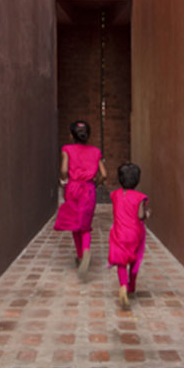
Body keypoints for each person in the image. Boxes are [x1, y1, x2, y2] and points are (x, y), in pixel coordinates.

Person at [54, 120, 106, 275]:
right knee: (85, 223)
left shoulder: (67, 149)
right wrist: (95, 184)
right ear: (88, 135)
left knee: (74, 222)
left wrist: (63, 181)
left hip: (72, 188)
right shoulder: (96, 152)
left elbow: (64, 170)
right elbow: (104, 174)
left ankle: (80, 255)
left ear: (71, 135)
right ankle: (86, 249)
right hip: (88, 188)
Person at [108, 161, 150, 309]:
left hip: (119, 232)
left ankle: (123, 286)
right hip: (135, 234)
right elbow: (140, 216)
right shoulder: (140, 197)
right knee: (134, 260)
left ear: (120, 179)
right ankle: (132, 287)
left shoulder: (114, 195)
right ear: (137, 180)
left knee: (121, 262)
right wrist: (147, 214)